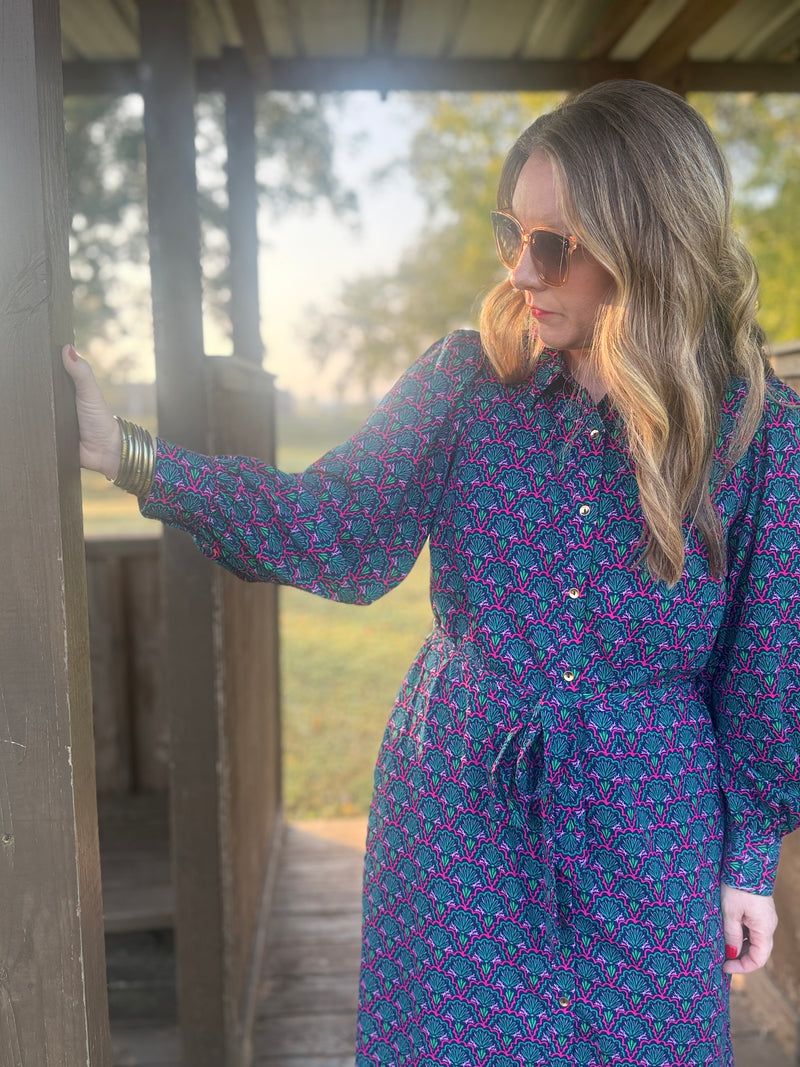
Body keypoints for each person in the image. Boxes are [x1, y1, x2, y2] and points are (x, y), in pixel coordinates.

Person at [64, 80, 800, 1066]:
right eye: (511, 233)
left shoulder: (757, 433)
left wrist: (746, 856)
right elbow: (331, 527)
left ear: (648, 246)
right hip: (458, 809)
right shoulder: (464, 386)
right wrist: (129, 456)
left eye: (554, 244)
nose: (520, 268)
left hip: (649, 824)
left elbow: (767, 661)